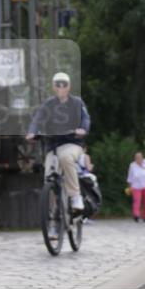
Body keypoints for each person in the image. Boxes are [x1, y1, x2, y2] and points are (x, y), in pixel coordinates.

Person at [25, 72, 91, 226]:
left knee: (66, 158)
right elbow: (37, 118)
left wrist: (83, 129)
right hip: (53, 146)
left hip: (73, 143)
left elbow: (85, 118)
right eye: (58, 84)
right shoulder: (48, 104)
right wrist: (32, 131)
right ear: (54, 86)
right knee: (49, 177)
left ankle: (75, 197)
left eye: (64, 84)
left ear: (69, 86)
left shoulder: (77, 102)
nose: (61, 87)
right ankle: (54, 221)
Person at [127, 152, 145, 222]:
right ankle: (136, 215)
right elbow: (130, 175)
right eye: (136, 158)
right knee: (136, 201)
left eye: (139, 157)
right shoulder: (132, 165)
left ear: (142, 157)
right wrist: (130, 185)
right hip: (136, 186)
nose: (138, 159)